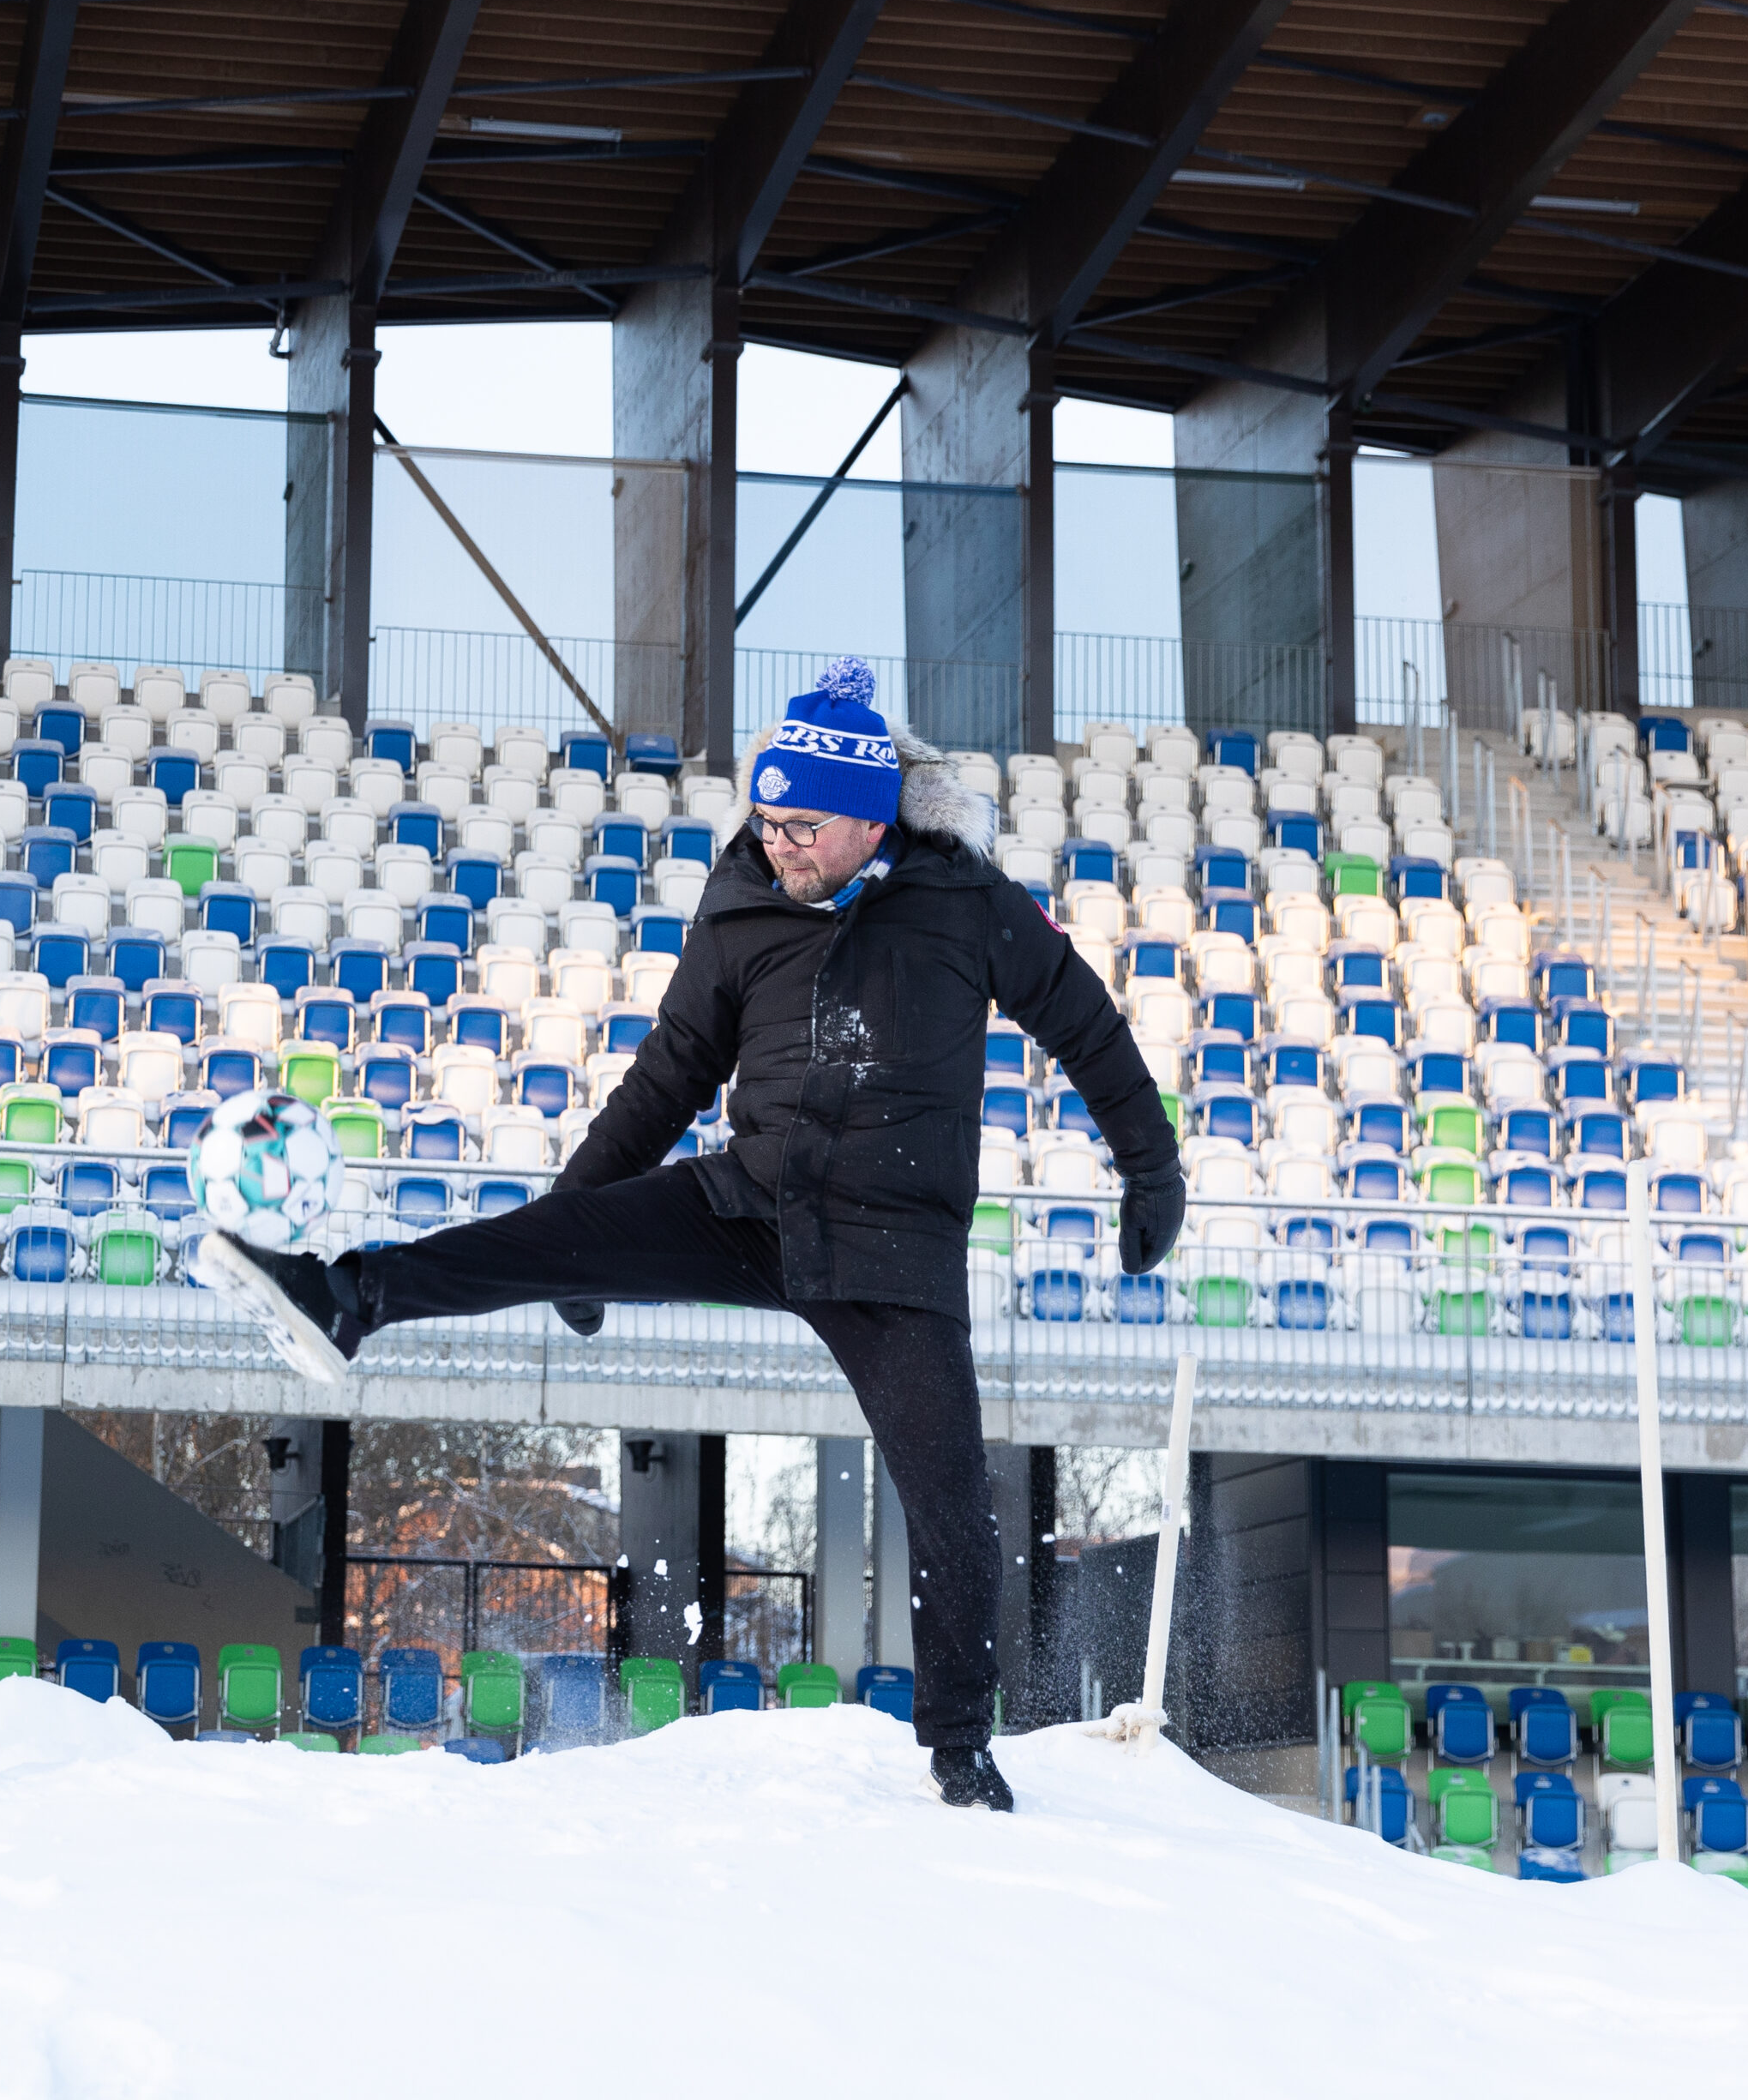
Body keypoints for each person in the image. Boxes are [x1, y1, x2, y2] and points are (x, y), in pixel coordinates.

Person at [198, 659, 1184, 1808]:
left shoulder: (967, 901)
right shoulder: (742, 898)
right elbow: (670, 1074)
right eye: (765, 819)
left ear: (870, 821)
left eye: (801, 827)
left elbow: (1087, 1027)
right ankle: (344, 1299)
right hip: (752, 1203)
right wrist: (579, 1222)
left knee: (954, 1508)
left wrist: (1151, 1171)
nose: (778, 843)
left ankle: (960, 1749)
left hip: (892, 1250)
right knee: (534, 1237)